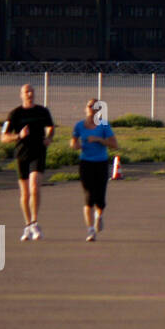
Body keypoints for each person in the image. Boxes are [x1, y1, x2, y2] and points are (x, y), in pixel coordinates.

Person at [0, 83, 54, 241]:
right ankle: (28, 225)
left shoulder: (42, 111)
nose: (29, 94)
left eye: (31, 91)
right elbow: (4, 137)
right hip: (22, 154)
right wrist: (19, 136)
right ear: (21, 95)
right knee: (24, 193)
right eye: (26, 92)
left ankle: (35, 223)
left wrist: (49, 138)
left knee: (35, 187)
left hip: (38, 153)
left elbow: (50, 127)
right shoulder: (15, 114)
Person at [70, 98, 118, 242]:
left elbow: (114, 144)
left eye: (94, 106)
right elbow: (73, 142)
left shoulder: (103, 125)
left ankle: (99, 215)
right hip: (86, 163)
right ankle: (90, 230)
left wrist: (99, 140)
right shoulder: (79, 125)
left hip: (101, 163)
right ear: (85, 109)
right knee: (88, 196)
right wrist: (76, 145)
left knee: (100, 198)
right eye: (89, 106)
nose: (91, 108)